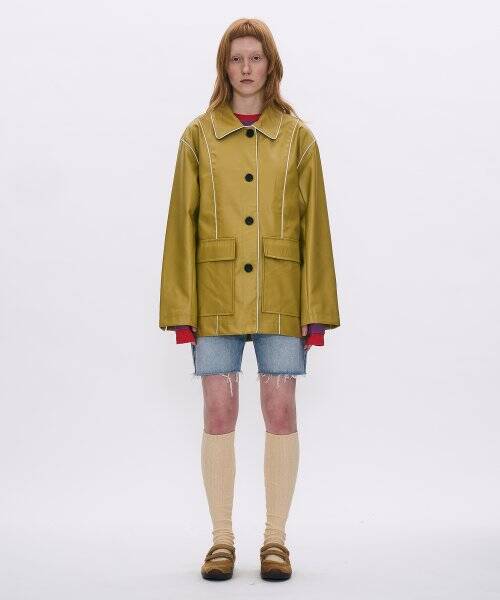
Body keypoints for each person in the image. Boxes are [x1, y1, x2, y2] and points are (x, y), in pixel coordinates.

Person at [159, 17, 340, 581]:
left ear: (271, 66)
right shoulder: (197, 137)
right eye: (236, 59)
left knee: (280, 411)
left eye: (255, 58)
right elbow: (180, 226)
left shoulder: (298, 138)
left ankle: (275, 541)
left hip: (281, 296)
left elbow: (316, 229)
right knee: (218, 412)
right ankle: (221, 541)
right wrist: (181, 311)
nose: (245, 68)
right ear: (224, 67)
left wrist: (317, 312)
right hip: (214, 298)